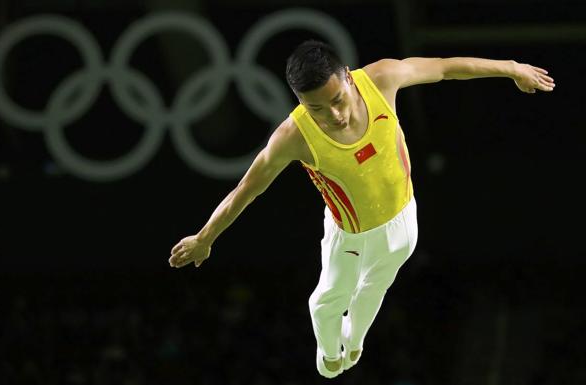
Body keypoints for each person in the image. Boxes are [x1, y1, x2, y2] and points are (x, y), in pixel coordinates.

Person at [168, 40, 554, 378]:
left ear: (349, 78)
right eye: (317, 108)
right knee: (325, 302)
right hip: (347, 236)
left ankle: (354, 343)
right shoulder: (293, 136)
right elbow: (245, 190)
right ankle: (328, 351)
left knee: (374, 289)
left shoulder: (382, 79)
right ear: (301, 103)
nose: (333, 115)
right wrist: (205, 238)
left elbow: (445, 67)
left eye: (337, 100)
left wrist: (512, 69)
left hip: (403, 221)